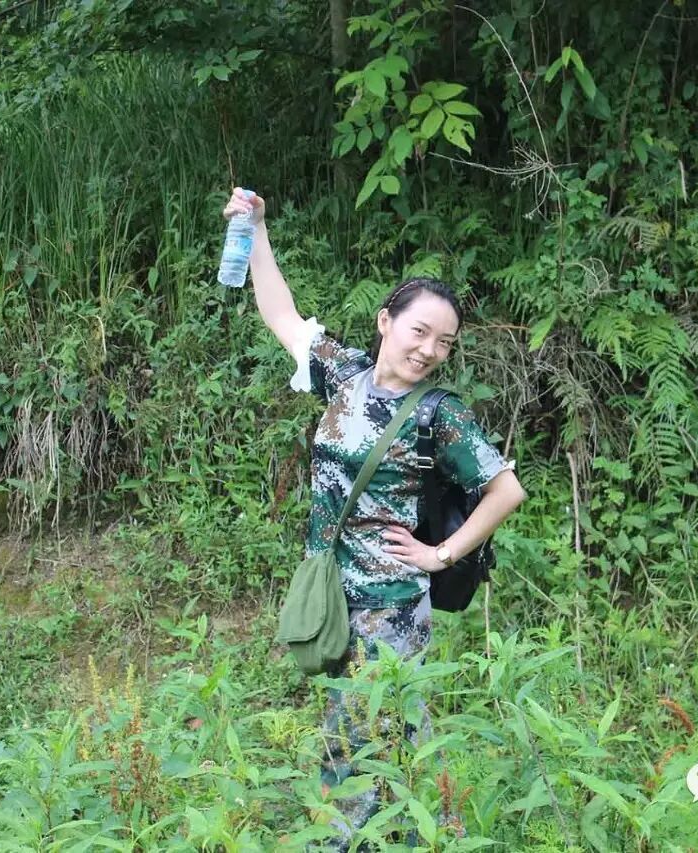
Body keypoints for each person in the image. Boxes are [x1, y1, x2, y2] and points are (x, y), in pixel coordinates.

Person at [222, 187, 527, 849]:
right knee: (391, 731)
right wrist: (258, 230)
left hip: (390, 603)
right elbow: (280, 312)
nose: (430, 349)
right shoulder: (344, 376)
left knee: (357, 741)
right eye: (420, 331)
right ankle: (430, 832)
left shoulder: (439, 413)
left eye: (444, 342)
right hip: (337, 589)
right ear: (386, 321)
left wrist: (439, 555)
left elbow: (506, 490)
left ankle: (343, 841)